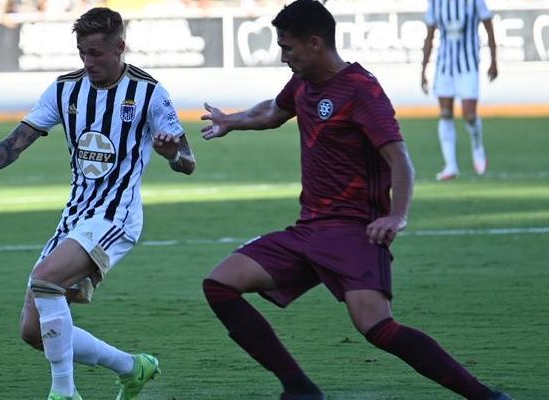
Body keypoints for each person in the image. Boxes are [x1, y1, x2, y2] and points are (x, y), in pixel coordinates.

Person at [199, 1, 510, 399]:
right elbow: (274, 112)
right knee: (220, 284)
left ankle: (486, 396)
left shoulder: (361, 90)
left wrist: (397, 216)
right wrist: (232, 120)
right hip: (309, 228)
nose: (283, 57)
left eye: (288, 47)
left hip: (354, 231)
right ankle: (300, 389)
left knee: (378, 328)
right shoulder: (304, 82)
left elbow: (399, 158)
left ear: (314, 44)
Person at [0, 7, 195, 400]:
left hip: (117, 215)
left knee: (47, 281)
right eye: (82, 53)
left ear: (120, 47)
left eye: (96, 53)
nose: (88, 62)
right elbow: (18, 141)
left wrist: (170, 155)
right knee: (33, 330)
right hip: (75, 216)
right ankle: (134, 369)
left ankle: (64, 392)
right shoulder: (65, 89)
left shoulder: (149, 93)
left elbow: (187, 163)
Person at [421, 0, 497, 181]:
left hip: (468, 65)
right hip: (445, 65)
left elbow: (489, 28)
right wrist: (423, 69)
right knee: (445, 113)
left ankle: (477, 147)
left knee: (469, 115)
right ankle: (450, 166)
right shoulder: (435, 2)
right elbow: (430, 35)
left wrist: (494, 60)